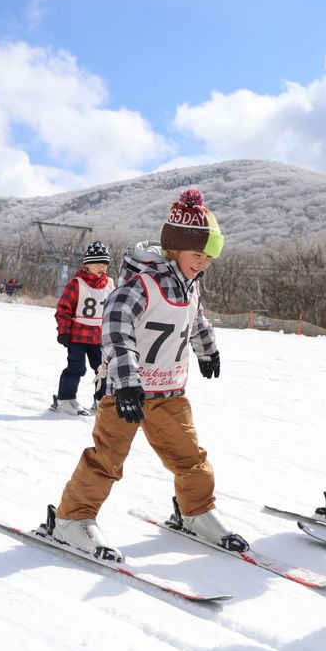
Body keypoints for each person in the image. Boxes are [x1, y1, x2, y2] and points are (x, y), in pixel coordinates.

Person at [50, 188, 246, 560]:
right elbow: (116, 328)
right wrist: (125, 382)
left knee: (191, 458)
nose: (203, 262)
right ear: (173, 248)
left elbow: (194, 319)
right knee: (107, 459)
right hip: (127, 393)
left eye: (209, 256)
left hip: (171, 390)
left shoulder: (190, 284)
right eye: (197, 254)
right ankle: (72, 519)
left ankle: (196, 510)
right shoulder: (140, 284)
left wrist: (208, 348)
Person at [49, 241, 115, 416]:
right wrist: (63, 331)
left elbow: (114, 309)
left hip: (99, 338)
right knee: (76, 367)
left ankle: (102, 399)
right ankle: (66, 399)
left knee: (103, 370)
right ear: (87, 265)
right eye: (98, 263)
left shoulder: (110, 284)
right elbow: (63, 309)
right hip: (78, 337)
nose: (102, 267)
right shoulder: (76, 284)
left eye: (105, 264)